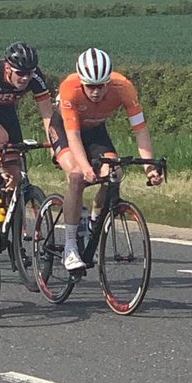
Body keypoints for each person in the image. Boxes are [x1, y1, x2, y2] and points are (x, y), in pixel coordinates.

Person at [48, 47, 163, 271]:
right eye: (90, 86)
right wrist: (84, 166)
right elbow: (73, 136)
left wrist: (149, 167)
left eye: (101, 85)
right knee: (76, 175)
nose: (96, 92)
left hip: (95, 131)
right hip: (65, 129)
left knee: (115, 172)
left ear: (109, 81)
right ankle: (70, 246)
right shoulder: (69, 88)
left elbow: (140, 130)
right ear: (81, 81)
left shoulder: (124, 88)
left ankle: (94, 219)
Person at [0, 41, 53, 189]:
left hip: (7, 112)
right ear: (7, 68)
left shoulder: (36, 77)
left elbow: (47, 115)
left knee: (14, 168)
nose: (26, 78)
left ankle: (10, 206)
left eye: (30, 73)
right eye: (20, 73)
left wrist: (54, 145)